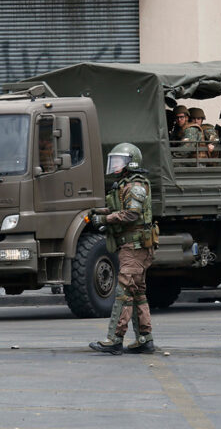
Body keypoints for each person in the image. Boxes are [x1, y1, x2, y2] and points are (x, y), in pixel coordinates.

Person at [89, 143, 156, 355]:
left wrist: (105, 219)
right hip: (132, 246)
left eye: (118, 160)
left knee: (124, 292)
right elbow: (120, 208)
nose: (114, 164)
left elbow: (131, 214)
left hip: (135, 246)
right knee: (138, 293)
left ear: (130, 163)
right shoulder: (124, 184)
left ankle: (114, 340)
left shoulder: (135, 185)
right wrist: (97, 211)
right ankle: (145, 339)